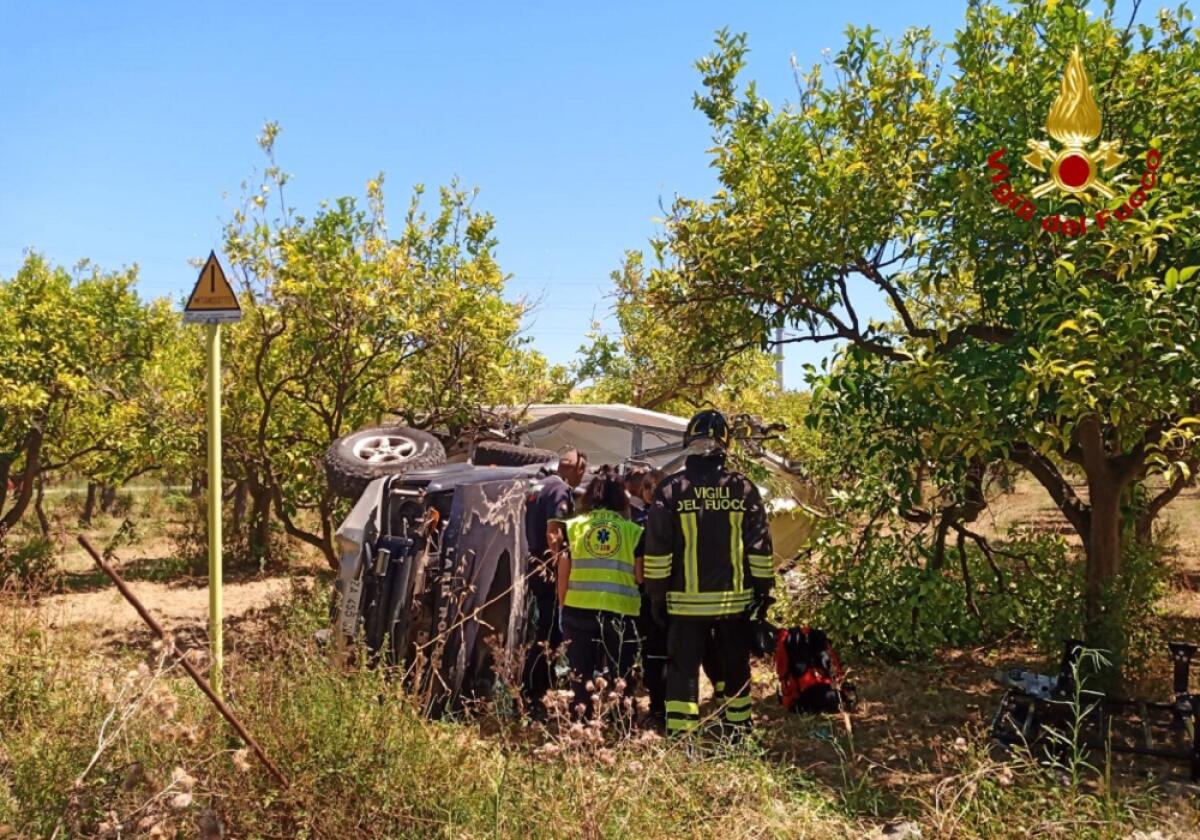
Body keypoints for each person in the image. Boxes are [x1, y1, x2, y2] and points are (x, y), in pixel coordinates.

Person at [643, 409, 774, 736]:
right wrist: (763, 592)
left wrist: (656, 597)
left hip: (685, 605)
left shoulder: (671, 490)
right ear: (725, 445)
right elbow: (759, 548)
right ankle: (738, 733)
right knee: (735, 667)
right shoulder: (742, 489)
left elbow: (657, 551)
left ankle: (681, 738)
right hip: (734, 604)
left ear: (688, 441)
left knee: (683, 672)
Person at [555, 466, 644, 717]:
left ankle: (580, 721)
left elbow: (563, 573)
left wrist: (563, 607)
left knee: (580, 674)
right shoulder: (634, 531)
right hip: (620, 613)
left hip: (578, 610)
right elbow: (640, 576)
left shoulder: (572, 527)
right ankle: (622, 721)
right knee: (621, 673)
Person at [521, 448, 588, 716]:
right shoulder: (560, 489)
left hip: (532, 563)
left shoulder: (538, 485)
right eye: (582, 472)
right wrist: (561, 564)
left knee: (542, 629)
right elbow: (554, 533)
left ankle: (534, 688)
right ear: (577, 468)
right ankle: (533, 693)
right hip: (547, 569)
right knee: (550, 632)